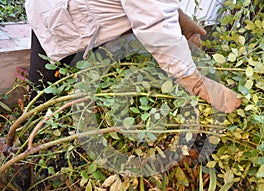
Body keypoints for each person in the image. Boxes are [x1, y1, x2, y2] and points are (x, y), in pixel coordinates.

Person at [25, 0, 241, 113]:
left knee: (82, 83)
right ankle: (33, 159)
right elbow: (155, 25)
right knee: (44, 89)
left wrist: (177, 16)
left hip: (91, 13)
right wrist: (197, 83)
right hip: (62, 15)